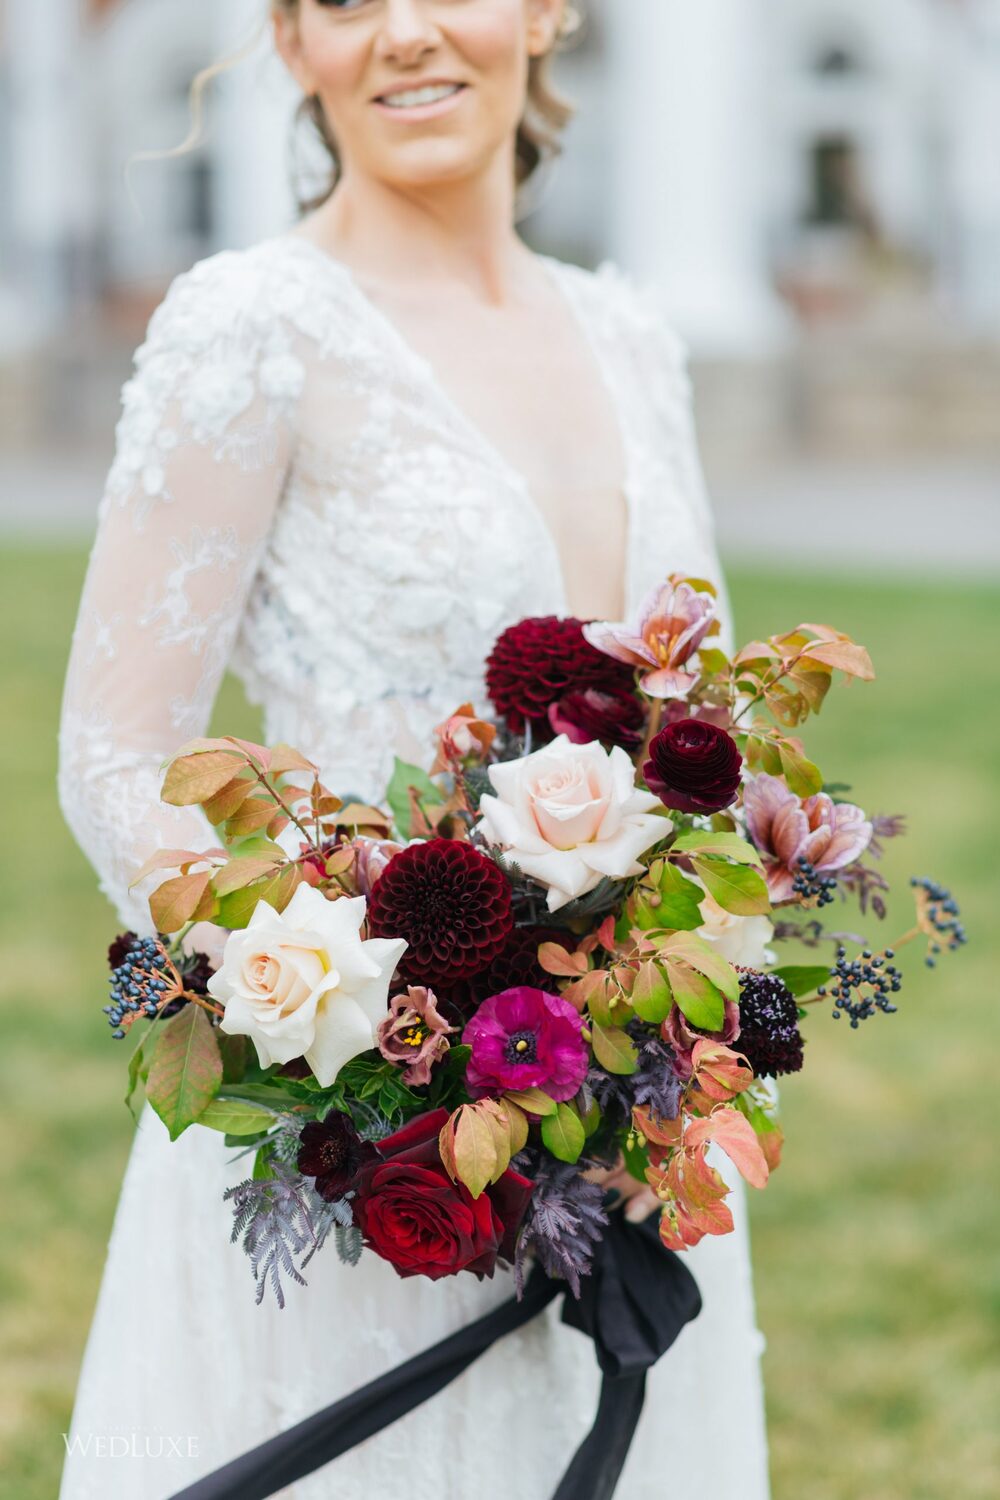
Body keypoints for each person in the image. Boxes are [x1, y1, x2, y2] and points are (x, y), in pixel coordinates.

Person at [57, 2, 770, 1495]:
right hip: (360, 1150)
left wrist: (675, 1027)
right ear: (291, 41)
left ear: (548, 12)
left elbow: (695, 725)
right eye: (341, 0)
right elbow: (117, 757)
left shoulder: (633, 336)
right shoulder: (253, 327)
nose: (401, 33)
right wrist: (336, 1024)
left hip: (621, 1121)